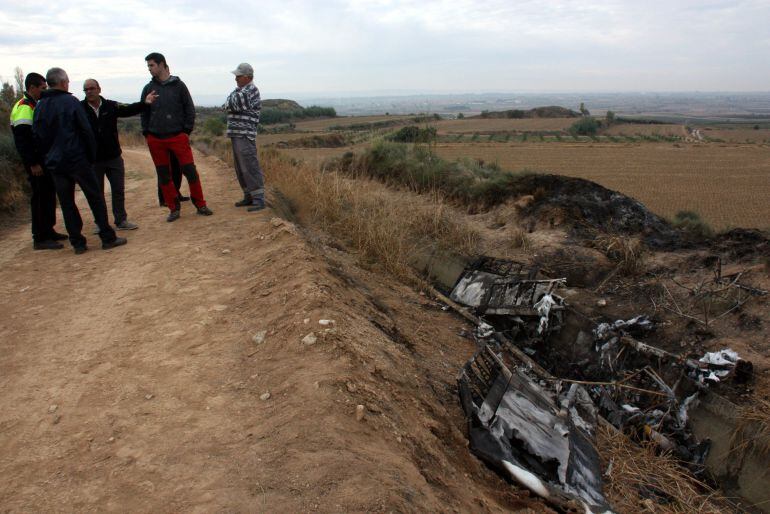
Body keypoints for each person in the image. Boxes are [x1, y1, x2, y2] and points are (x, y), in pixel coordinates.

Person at [32, 67, 127, 254]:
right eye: (67, 81)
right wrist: (90, 157)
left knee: (67, 203)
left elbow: (38, 136)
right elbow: (86, 131)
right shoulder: (70, 101)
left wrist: (48, 158)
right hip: (77, 160)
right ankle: (107, 238)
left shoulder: (40, 106)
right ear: (62, 82)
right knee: (95, 198)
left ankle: (78, 243)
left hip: (56, 164)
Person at [140, 52, 212, 222]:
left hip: (178, 136)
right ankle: (173, 208)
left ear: (162, 64)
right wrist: (147, 133)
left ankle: (200, 204)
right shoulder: (148, 88)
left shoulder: (179, 86)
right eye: (148, 66)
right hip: (156, 139)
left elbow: (189, 109)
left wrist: (186, 131)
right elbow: (144, 111)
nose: (149, 69)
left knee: (190, 171)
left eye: (152, 65)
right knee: (164, 175)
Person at [82, 78, 157, 231]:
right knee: (97, 193)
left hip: (114, 157)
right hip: (93, 160)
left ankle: (121, 220)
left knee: (118, 190)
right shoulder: (79, 108)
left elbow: (129, 109)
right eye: (86, 89)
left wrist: (145, 103)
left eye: (92, 88)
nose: (89, 91)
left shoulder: (111, 105)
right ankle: (100, 223)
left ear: (99, 89)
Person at [9, 72, 67, 250]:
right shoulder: (25, 106)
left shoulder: (35, 104)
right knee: (40, 197)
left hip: (43, 160)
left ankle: (48, 230)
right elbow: (23, 139)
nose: (45, 91)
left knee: (48, 195)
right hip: (36, 162)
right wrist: (33, 163)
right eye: (42, 88)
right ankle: (40, 237)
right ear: (32, 88)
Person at [225, 62, 265, 212]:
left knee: (249, 166)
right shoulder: (241, 90)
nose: (236, 78)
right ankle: (249, 196)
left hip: (245, 135)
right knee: (241, 168)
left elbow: (233, 103)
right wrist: (231, 101)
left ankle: (259, 199)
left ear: (247, 77)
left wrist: (231, 101)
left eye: (238, 76)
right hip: (237, 134)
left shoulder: (252, 90)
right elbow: (228, 102)